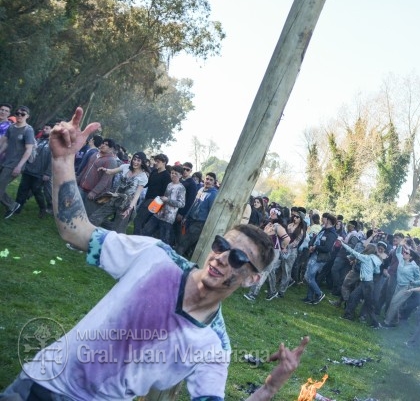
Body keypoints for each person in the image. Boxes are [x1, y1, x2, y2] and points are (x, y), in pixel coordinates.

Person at [0, 107, 309, 401]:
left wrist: (269, 388)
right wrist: (63, 161)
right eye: (221, 245)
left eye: (239, 258)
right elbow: (76, 230)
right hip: (41, 380)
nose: (222, 257)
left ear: (251, 279)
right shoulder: (156, 257)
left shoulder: (212, 345)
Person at [88, 151, 149, 233]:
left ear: (142, 162)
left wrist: (129, 209)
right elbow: (111, 171)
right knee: (94, 218)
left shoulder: (143, 177)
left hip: (126, 204)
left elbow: (137, 195)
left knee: (118, 230)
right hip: (115, 198)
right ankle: (84, 238)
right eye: (134, 159)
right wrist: (104, 169)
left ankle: (114, 243)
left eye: (138, 160)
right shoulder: (126, 167)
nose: (135, 162)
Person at [0, 106, 36, 217]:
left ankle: (11, 205)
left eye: (23, 114)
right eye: (18, 113)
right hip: (5, 162)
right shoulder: (11, 128)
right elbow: (6, 143)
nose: (19, 115)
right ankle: (13, 205)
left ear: (27, 116)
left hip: (15, 165)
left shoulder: (28, 130)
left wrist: (19, 166)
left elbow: (29, 149)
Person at [11, 122, 53, 218]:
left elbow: (53, 161)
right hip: (29, 169)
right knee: (22, 189)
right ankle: (17, 208)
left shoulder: (54, 144)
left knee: (36, 191)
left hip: (40, 172)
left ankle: (43, 208)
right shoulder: (37, 139)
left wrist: (47, 173)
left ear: (52, 130)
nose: (44, 130)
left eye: (47, 128)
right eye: (44, 128)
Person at [176, 172, 219, 259]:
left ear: (214, 182)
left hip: (199, 223)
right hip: (189, 220)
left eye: (211, 180)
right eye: (207, 179)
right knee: (181, 239)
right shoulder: (200, 190)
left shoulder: (214, 194)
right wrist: (186, 217)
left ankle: (175, 259)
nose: (208, 181)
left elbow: (212, 212)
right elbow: (193, 205)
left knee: (184, 242)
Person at [142, 165, 186, 245]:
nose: (173, 175)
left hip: (168, 218)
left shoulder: (181, 188)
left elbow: (181, 204)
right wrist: (161, 199)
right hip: (159, 213)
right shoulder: (169, 184)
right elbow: (165, 197)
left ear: (180, 175)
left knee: (164, 240)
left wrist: (167, 200)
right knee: (146, 231)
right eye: (172, 173)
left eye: (176, 174)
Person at [303, 213, 337, 305]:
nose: (322, 220)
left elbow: (327, 248)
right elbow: (315, 238)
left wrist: (315, 247)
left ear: (328, 221)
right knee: (310, 277)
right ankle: (309, 297)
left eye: (324, 219)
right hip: (315, 255)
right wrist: (311, 245)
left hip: (320, 258)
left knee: (309, 277)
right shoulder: (324, 230)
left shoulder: (332, 234)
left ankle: (319, 294)